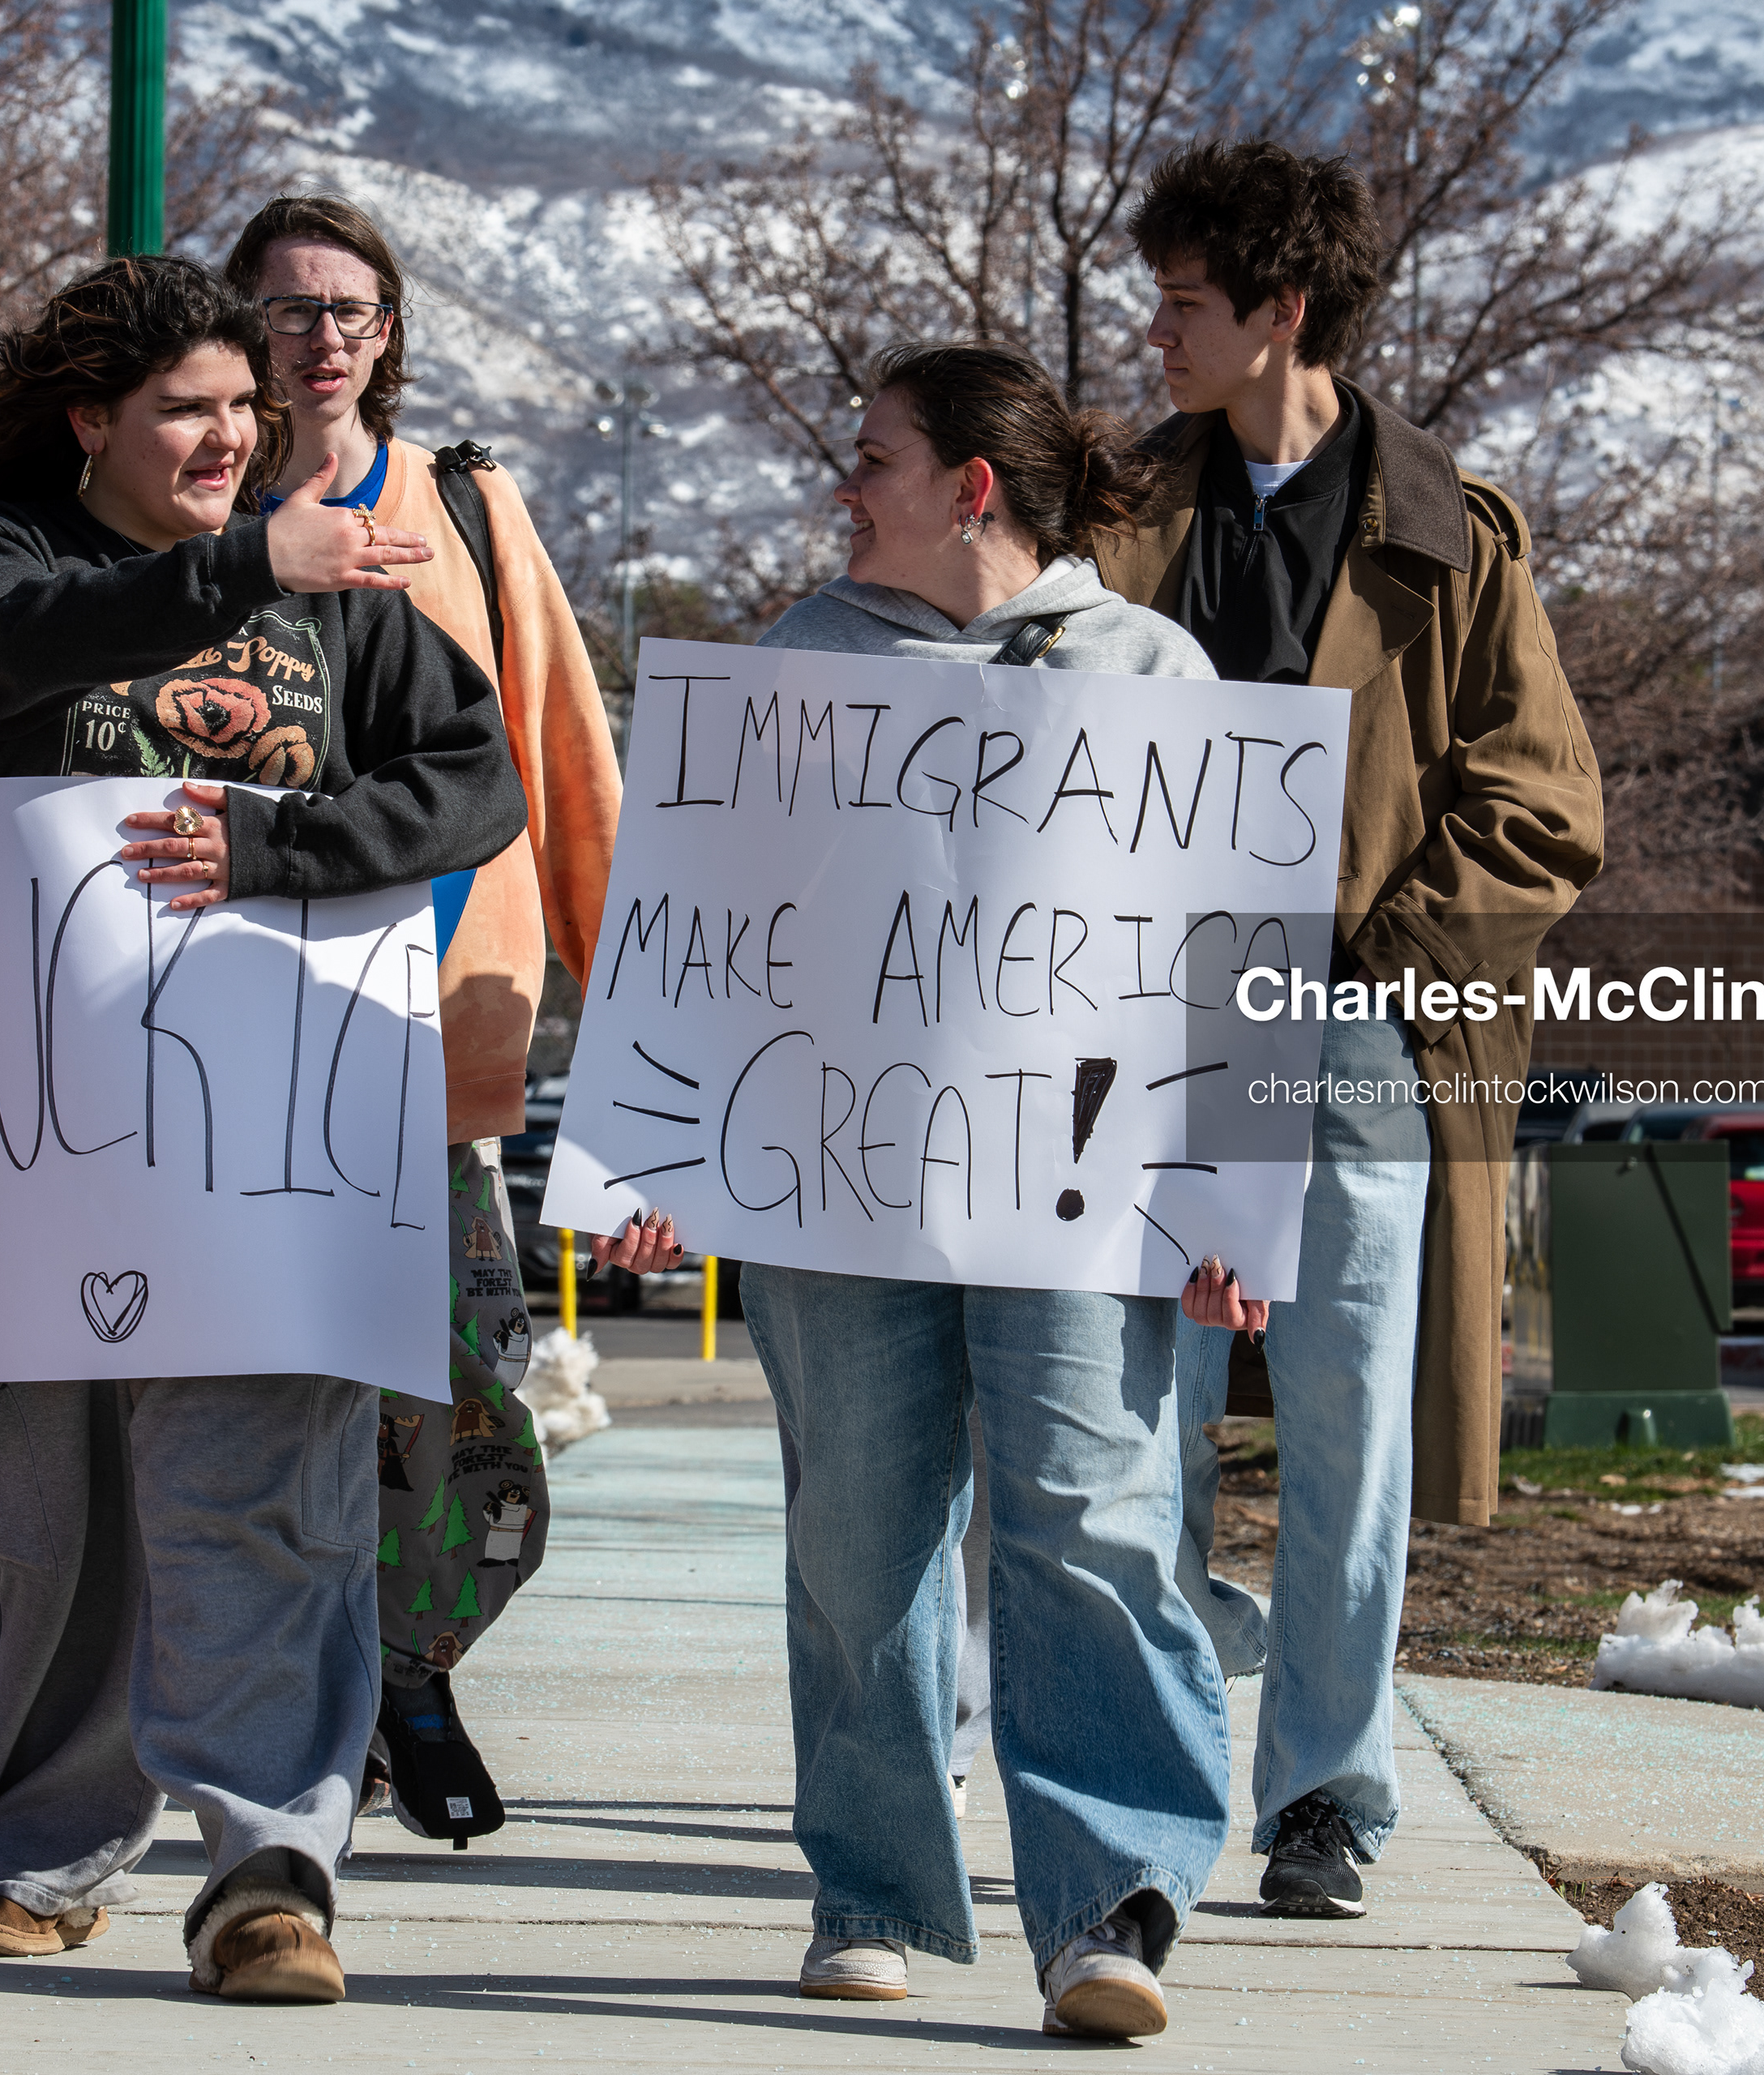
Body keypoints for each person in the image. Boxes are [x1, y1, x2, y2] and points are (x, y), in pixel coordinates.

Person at [0, 254, 530, 2002]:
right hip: (45, 1143)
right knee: (75, 1514)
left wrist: (279, 850)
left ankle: (270, 1869)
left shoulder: (341, 601)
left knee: (257, 1490)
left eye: (248, 410)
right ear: (93, 419)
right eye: (191, 406)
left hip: (279, 1131)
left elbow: (474, 775)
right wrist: (250, 558)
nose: (233, 434)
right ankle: (32, 1852)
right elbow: (12, 652)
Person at [1094, 139, 1603, 1919]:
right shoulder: (1113, 512)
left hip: (1353, 1036)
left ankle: (1326, 1790)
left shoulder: (1456, 535)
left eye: (1182, 301)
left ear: (1281, 312)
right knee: (1126, 1425)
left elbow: (1541, 807)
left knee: (1345, 1425)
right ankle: (1140, 1765)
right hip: (1135, 1040)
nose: (1152, 331)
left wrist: (1369, 972)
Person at [741, 340, 1227, 2042]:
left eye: (870, 456)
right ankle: (869, 1889)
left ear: (972, 488)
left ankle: (1108, 1902)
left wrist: (1235, 1203)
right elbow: (720, 936)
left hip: (1080, 1190)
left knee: (1091, 1521)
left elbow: (1223, 961)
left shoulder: (1155, 671)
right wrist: (671, 1159)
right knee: (857, 1538)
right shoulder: (800, 661)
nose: (842, 486)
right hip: (839, 1187)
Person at [218, 195, 673, 1841]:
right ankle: (316, 1719)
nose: (320, 334)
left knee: (471, 1432)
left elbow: (570, 778)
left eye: (351, 306)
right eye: (285, 307)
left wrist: (650, 1086)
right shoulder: (188, 521)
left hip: (439, 1063)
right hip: (232, 1064)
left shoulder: (470, 511)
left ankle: (414, 1663)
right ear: (239, 333)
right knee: (261, 1417)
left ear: (389, 334)